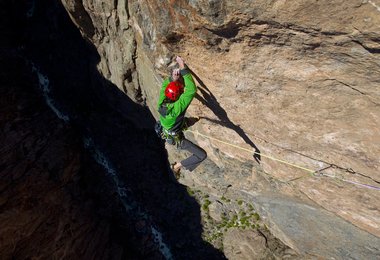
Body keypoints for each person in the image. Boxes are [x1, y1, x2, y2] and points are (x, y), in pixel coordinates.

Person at [157, 56, 207, 177]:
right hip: (177, 137)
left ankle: (190, 121)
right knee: (202, 155)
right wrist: (183, 68)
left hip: (172, 130)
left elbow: (164, 88)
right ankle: (177, 166)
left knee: (188, 121)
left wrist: (172, 79)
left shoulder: (162, 104)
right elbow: (190, 91)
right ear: (178, 95)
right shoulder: (176, 109)